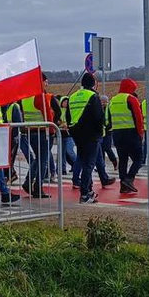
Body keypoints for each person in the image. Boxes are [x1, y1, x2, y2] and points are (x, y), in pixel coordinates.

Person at [67, 73, 105, 204]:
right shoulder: (93, 96)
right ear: (93, 83)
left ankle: (88, 190)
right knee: (89, 164)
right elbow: (99, 117)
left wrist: (72, 129)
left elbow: (68, 116)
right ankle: (84, 194)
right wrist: (100, 133)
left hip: (76, 133)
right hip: (91, 134)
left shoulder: (72, 97)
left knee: (83, 160)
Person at [19, 73, 54, 198]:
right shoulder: (40, 96)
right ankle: (38, 187)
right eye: (45, 81)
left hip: (30, 131)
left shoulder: (25, 97)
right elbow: (48, 116)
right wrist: (52, 131)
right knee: (43, 160)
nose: (46, 84)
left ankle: (28, 182)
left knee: (38, 159)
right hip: (43, 132)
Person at [108, 78, 145, 194]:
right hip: (131, 132)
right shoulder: (131, 99)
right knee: (139, 159)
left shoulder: (113, 100)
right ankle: (129, 179)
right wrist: (140, 133)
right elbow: (138, 118)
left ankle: (123, 185)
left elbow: (109, 118)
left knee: (123, 160)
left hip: (117, 133)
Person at [100, 94, 118, 172]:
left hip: (108, 131)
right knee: (101, 149)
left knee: (107, 148)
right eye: (101, 101)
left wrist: (107, 127)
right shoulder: (98, 108)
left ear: (107, 102)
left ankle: (114, 161)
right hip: (100, 132)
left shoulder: (110, 109)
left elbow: (112, 120)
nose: (103, 103)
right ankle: (101, 165)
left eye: (104, 102)